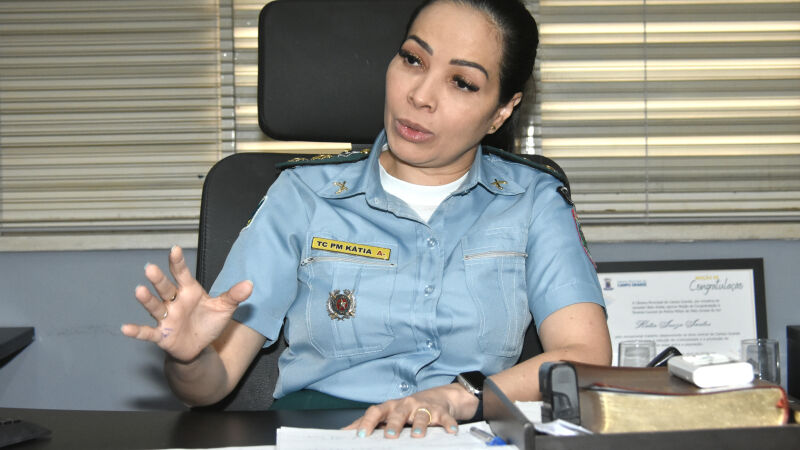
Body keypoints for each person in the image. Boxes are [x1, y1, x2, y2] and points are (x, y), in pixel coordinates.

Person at [122, 0, 611, 440]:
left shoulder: (532, 200)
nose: (420, 95)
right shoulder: (303, 195)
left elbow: (586, 357)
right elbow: (212, 383)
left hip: (468, 429)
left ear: (502, 111)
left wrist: (457, 396)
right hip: (322, 433)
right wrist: (188, 358)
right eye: (413, 59)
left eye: (462, 82)